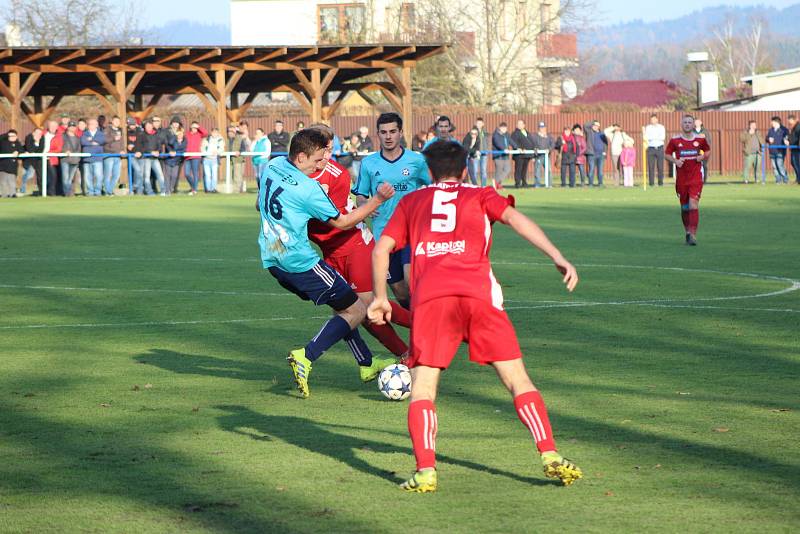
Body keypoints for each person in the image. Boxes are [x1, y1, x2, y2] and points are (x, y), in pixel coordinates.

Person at [367, 139, 582, 493]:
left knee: (423, 389)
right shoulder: (481, 194)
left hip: (432, 300)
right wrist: (557, 256)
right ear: (465, 169)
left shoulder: (411, 201)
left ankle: (425, 471)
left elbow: (381, 249)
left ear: (428, 171)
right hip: (478, 295)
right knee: (518, 380)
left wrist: (380, 298)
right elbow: (516, 219)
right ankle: (549, 454)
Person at [258, 128, 394, 398]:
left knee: (342, 307)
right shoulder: (309, 189)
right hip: (301, 263)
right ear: (300, 157)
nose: (322, 165)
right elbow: (343, 222)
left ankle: (366, 364)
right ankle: (305, 357)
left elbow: (259, 204)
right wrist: (378, 199)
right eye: (317, 160)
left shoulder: (273, 165)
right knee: (356, 309)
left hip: (272, 259)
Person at [306, 123, 411, 377]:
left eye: (331, 150)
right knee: (353, 312)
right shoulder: (297, 173)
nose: (327, 157)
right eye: (323, 151)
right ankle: (405, 354)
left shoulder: (338, 175)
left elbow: (339, 221)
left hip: (355, 245)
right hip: (330, 253)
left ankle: (428, 329)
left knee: (367, 305)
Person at [353, 112, 430, 309]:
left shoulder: (416, 161)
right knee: (400, 291)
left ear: (400, 133)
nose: (388, 136)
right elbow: (360, 196)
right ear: (377, 134)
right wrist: (365, 207)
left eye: (393, 131)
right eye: (384, 132)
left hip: (411, 230)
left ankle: (427, 324)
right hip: (383, 234)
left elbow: (435, 185)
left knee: (410, 278)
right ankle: (419, 320)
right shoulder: (369, 163)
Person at [665, 115, 711, 246]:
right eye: (685, 122)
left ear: (693, 124)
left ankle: (693, 234)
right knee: (684, 207)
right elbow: (667, 154)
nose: (687, 124)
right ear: (681, 124)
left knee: (693, 204)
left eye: (689, 122)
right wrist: (675, 161)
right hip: (681, 179)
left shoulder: (700, 139)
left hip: (696, 177)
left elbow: (707, 151)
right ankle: (687, 232)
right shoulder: (675, 140)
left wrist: (701, 157)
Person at [134, 119, 166, 195]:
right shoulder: (141, 135)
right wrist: (150, 152)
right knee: (147, 176)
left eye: (150, 126)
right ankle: (149, 192)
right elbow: (141, 147)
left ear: (152, 126)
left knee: (160, 174)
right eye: (147, 126)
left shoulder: (156, 134)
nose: (148, 127)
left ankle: (163, 191)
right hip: (146, 158)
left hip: (155, 158)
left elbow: (159, 146)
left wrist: (158, 151)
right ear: (145, 127)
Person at [80, 118, 105, 197]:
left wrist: (90, 140)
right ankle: (90, 192)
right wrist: (93, 143)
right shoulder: (84, 134)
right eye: (90, 124)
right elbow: (83, 142)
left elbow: (102, 141)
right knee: (88, 177)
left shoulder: (101, 134)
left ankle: (97, 191)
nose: (91, 125)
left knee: (99, 176)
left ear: (97, 125)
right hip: (87, 159)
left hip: (97, 158)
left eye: (93, 124)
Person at [103, 116, 125, 195]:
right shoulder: (107, 130)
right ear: (112, 121)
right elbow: (104, 141)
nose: (117, 122)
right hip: (109, 155)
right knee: (108, 175)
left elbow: (122, 142)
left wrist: (122, 150)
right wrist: (113, 139)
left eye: (118, 121)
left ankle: (109, 190)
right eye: (115, 121)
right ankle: (107, 191)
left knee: (116, 175)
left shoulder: (120, 130)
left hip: (117, 155)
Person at [184, 121, 207, 195]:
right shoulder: (187, 134)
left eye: (195, 127)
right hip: (187, 156)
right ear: (190, 127)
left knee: (195, 174)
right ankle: (193, 186)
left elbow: (205, 133)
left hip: (196, 156)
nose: (194, 128)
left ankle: (194, 190)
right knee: (187, 174)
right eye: (193, 127)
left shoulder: (199, 134)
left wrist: (198, 127)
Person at [60, 121, 82, 197]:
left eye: (73, 126)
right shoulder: (63, 136)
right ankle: (67, 193)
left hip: (75, 161)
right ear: (68, 127)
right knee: (65, 178)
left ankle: (68, 193)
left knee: (70, 179)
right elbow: (59, 146)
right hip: (65, 160)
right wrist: (64, 151)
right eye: (71, 126)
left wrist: (78, 158)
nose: (72, 128)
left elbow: (79, 149)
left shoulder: (77, 138)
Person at [766, 116, 790, 185]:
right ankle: (778, 180)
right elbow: (767, 138)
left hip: (780, 151)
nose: (771, 123)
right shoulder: (771, 130)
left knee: (780, 165)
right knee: (774, 167)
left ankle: (785, 179)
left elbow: (787, 137)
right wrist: (768, 139)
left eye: (772, 121)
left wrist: (786, 140)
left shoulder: (784, 130)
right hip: (772, 151)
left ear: (776, 122)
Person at [20, 127, 44, 195]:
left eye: (40, 134)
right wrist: (35, 142)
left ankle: (22, 189)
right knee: (26, 175)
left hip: (36, 161)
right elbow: (29, 148)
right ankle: (22, 190)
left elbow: (40, 150)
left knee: (29, 175)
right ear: (33, 133)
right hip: (27, 160)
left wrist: (37, 142)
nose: (38, 135)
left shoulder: (42, 138)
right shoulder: (29, 137)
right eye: (37, 133)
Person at [511, 120, 534, 188]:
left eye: (521, 124)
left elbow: (531, 142)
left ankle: (524, 182)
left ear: (524, 125)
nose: (519, 125)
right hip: (519, 155)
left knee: (524, 169)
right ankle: (517, 183)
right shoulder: (515, 133)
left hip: (527, 155)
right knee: (518, 169)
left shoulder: (527, 132)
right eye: (518, 124)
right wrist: (519, 148)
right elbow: (514, 143)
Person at [201, 127, 225, 194]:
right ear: (211, 133)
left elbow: (221, 149)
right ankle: (208, 189)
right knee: (207, 175)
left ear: (218, 133)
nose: (214, 133)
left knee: (214, 175)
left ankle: (213, 188)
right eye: (213, 132)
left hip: (214, 159)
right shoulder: (206, 139)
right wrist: (205, 153)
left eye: (216, 132)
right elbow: (202, 148)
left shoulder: (220, 140)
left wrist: (217, 152)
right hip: (206, 159)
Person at [644, 114, 666, 186]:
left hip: (659, 147)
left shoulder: (661, 127)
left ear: (657, 119)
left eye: (654, 119)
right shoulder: (648, 127)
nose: (652, 121)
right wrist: (655, 137)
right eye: (651, 119)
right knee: (651, 166)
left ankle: (660, 183)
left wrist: (652, 137)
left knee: (660, 166)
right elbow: (647, 137)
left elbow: (662, 137)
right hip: (651, 148)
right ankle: (651, 183)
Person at [0, 129, 23, 198]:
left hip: (12, 166)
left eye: (14, 136)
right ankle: (4, 194)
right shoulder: (3, 142)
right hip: (2, 166)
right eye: (10, 136)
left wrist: (17, 151)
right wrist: (7, 134)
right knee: (3, 181)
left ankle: (12, 194)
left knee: (12, 181)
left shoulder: (17, 143)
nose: (12, 137)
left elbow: (22, 149)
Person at [584, 120, 607, 186]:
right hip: (592, 154)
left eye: (597, 125)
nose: (596, 127)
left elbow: (605, 143)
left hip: (601, 155)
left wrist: (604, 152)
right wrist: (593, 123)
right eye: (595, 125)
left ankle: (600, 183)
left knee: (600, 171)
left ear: (599, 126)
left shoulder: (602, 133)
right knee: (591, 169)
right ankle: (590, 183)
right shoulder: (589, 132)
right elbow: (585, 125)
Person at [164, 127, 186, 195]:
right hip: (169, 159)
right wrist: (175, 136)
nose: (180, 135)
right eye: (178, 133)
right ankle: (167, 190)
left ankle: (170, 188)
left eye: (181, 133)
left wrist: (176, 152)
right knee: (167, 176)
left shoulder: (185, 141)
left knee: (174, 176)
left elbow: (184, 150)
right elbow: (169, 143)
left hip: (177, 161)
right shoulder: (173, 139)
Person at [492, 122, 514, 188]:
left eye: (505, 128)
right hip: (498, 156)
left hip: (506, 156)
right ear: (500, 128)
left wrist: (517, 147)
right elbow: (497, 143)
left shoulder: (507, 134)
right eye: (503, 128)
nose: (504, 129)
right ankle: (498, 185)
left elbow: (511, 142)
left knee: (508, 169)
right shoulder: (496, 135)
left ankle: (496, 182)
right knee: (498, 172)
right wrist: (504, 149)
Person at [531, 122, 553, 188]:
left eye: (543, 127)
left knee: (549, 170)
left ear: (545, 128)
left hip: (546, 156)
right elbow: (533, 145)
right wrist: (533, 155)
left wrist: (549, 149)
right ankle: (537, 184)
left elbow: (552, 144)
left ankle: (549, 184)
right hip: (538, 156)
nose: (542, 129)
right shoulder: (535, 136)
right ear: (539, 128)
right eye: (541, 127)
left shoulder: (549, 136)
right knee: (537, 170)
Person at [44, 120, 63, 196]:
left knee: (54, 176)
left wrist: (49, 153)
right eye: (51, 126)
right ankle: (47, 192)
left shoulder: (59, 136)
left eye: (54, 126)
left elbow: (59, 148)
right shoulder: (44, 134)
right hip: (42, 158)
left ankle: (53, 192)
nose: (52, 128)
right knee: (45, 177)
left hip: (53, 159)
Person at [740, 120, 762, 185]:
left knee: (757, 167)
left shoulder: (758, 132)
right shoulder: (745, 132)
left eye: (755, 125)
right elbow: (742, 139)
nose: (754, 126)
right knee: (747, 167)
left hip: (758, 153)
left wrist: (761, 150)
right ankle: (746, 180)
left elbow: (762, 140)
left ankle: (757, 179)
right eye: (753, 125)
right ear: (750, 125)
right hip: (749, 153)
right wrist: (749, 134)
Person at [227, 125, 246, 193]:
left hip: (238, 160)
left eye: (232, 131)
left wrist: (239, 151)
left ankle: (237, 190)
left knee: (237, 176)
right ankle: (233, 189)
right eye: (229, 131)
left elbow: (243, 148)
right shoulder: (227, 139)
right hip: (230, 160)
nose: (230, 133)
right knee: (231, 176)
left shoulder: (240, 138)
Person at [473, 118, 490, 186]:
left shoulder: (485, 132)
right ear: (475, 124)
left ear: (483, 124)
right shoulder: (473, 132)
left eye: (480, 123)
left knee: (483, 171)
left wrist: (487, 149)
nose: (479, 125)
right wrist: (475, 150)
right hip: (476, 154)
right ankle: (474, 185)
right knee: (475, 170)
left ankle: (483, 185)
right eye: (478, 123)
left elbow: (487, 142)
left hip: (484, 153)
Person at [694, 118, 711, 183]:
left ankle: (705, 180)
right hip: (695, 151)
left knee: (704, 165)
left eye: (697, 122)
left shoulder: (705, 131)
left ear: (700, 123)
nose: (696, 123)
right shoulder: (692, 131)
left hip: (704, 151)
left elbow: (709, 141)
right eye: (695, 122)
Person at [787, 114, 800, 185]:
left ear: (794, 120)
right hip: (793, 148)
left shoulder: (798, 127)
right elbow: (792, 137)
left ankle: (799, 179)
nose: (789, 122)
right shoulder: (793, 127)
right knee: (794, 163)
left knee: (797, 164)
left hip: (797, 149)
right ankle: (798, 179)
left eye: (790, 120)